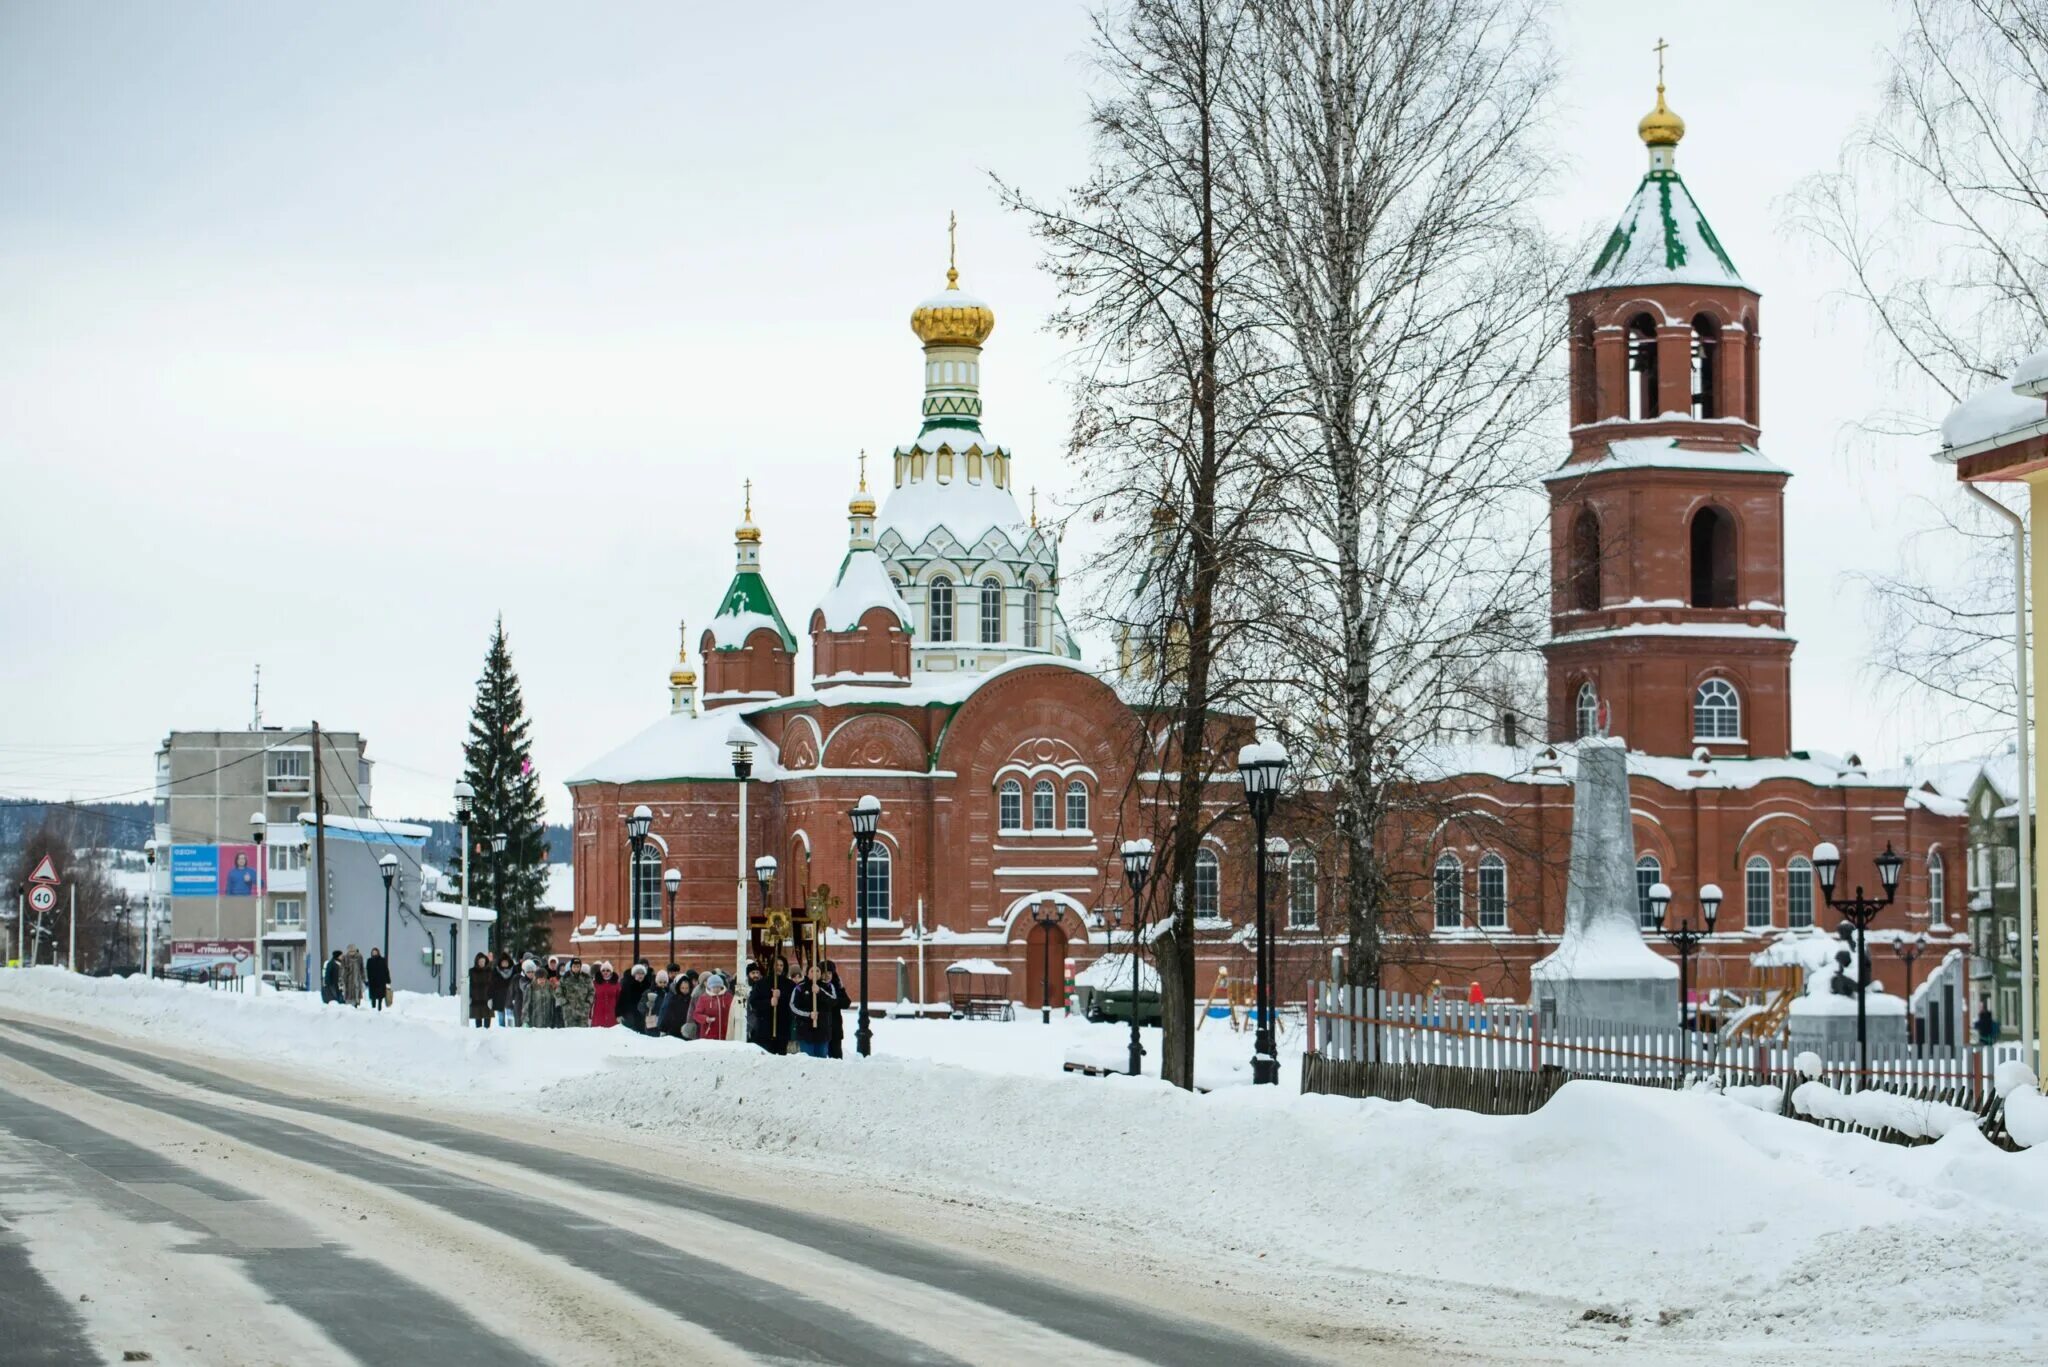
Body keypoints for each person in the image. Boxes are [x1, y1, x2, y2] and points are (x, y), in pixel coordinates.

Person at [790, 964, 831, 1058]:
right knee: (809, 1060)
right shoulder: (800, 988)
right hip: (805, 1031)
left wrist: (820, 991)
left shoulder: (827, 986)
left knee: (822, 1060)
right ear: (807, 973)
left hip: (822, 1031)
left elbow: (833, 1001)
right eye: (812, 971)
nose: (815, 973)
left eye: (818, 971)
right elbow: (792, 1006)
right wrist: (808, 1014)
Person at [818, 959, 850, 1059]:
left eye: (829, 973)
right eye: (824, 973)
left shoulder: (837, 987)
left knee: (836, 1058)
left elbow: (846, 1003)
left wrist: (833, 1001)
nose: (827, 976)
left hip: (835, 1029)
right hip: (820, 1029)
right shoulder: (816, 987)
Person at [692, 970, 735, 1043]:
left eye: (718, 987)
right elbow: (696, 1014)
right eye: (714, 987)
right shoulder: (703, 998)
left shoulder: (728, 997)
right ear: (709, 987)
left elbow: (735, 1011)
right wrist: (705, 1019)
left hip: (726, 1034)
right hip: (709, 1035)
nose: (716, 989)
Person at [745, 962, 774, 1051]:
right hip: (749, 1028)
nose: (756, 975)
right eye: (753, 973)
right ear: (748, 975)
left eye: (757, 973)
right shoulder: (744, 990)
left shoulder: (765, 987)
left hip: (763, 1027)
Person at [616, 961, 652, 1033]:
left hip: (643, 1016)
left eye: (642, 973)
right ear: (634, 974)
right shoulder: (627, 985)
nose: (640, 975)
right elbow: (621, 1000)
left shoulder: (648, 986)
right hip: (629, 1015)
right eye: (638, 973)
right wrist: (618, 1014)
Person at [772, 955, 797, 1056]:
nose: (779, 967)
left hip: (784, 1023)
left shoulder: (790, 984)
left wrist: (781, 995)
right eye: (776, 965)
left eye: (781, 965)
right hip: (768, 1025)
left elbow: (794, 1001)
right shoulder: (764, 982)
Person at [523, 961, 558, 1028]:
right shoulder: (530, 988)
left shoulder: (549, 987)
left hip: (548, 1022)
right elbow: (526, 1005)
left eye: (543, 979)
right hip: (535, 1023)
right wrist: (525, 1020)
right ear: (536, 979)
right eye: (540, 979)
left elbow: (554, 1002)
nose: (542, 981)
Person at [559, 960, 594, 1028]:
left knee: (582, 1034)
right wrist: (564, 1003)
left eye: (578, 967)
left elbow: (591, 991)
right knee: (570, 1034)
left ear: (580, 967)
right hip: (569, 1012)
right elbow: (558, 992)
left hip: (583, 1011)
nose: (576, 968)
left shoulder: (586, 978)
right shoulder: (565, 978)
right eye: (574, 966)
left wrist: (588, 1002)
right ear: (571, 967)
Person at [467, 952, 494, 1029]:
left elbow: (492, 985)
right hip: (476, 997)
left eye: (483, 961)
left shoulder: (489, 971)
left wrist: (492, 997)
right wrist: (470, 995)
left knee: (487, 1018)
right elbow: (470, 984)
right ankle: (478, 1034)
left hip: (487, 997)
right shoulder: (472, 971)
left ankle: (487, 1034)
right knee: (478, 1018)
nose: (482, 963)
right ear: (477, 962)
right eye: (480, 961)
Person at [491, 953, 518, 1027]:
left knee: (510, 1015)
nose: (505, 963)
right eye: (503, 962)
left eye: (506, 962)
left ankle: (510, 1028)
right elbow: (493, 983)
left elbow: (516, 982)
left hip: (510, 995)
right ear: (500, 962)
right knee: (501, 1016)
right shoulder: (496, 971)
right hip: (499, 996)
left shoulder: (514, 970)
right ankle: (502, 1030)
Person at [592, 962, 620, 1029]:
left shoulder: (616, 984)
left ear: (611, 972)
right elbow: (592, 998)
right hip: (598, 1012)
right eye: (603, 970)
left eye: (608, 970)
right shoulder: (595, 983)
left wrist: (619, 1013)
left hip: (612, 1012)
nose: (605, 972)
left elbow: (619, 999)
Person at [365, 947, 391, 1011]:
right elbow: (367, 970)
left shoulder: (382, 960)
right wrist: (367, 980)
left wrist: (388, 980)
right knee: (373, 996)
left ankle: (379, 1009)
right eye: (373, 952)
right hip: (372, 981)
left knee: (380, 996)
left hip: (381, 981)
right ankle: (373, 1008)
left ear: (378, 952)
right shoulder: (369, 960)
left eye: (375, 952)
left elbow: (386, 970)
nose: (374, 953)